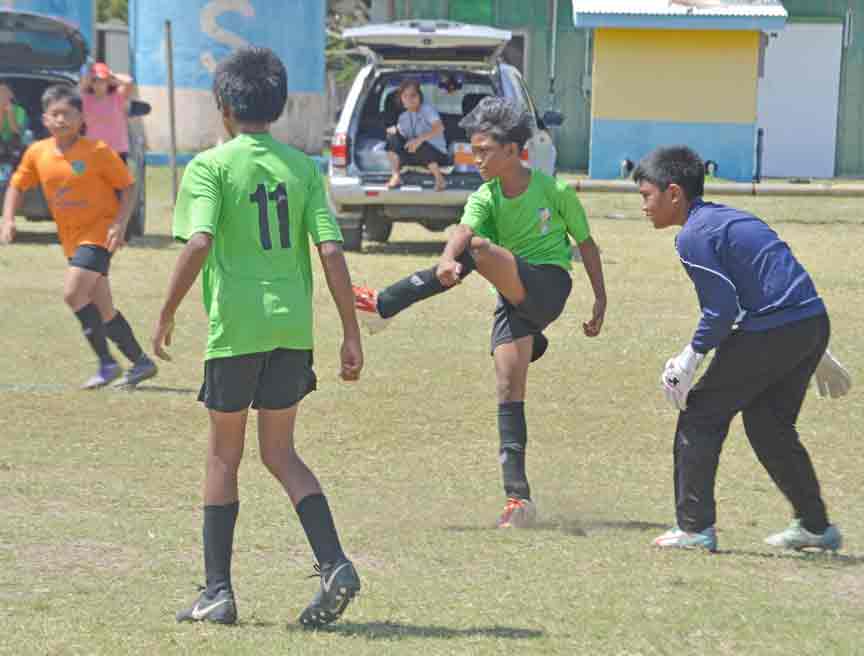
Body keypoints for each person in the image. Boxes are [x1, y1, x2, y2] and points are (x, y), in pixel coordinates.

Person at [151, 47, 364, 628]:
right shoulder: (303, 168)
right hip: (291, 329)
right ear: (279, 105)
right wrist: (350, 333)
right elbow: (331, 251)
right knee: (280, 453)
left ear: (223, 105)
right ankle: (335, 563)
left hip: (237, 330)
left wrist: (166, 310)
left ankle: (217, 592)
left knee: (224, 455)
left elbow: (199, 242)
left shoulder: (210, 167)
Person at [354, 97, 608, 528]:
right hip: (514, 300)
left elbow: (585, 244)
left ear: (512, 150)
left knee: (478, 251)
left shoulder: (555, 191)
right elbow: (463, 229)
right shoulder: (485, 196)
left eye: (484, 151)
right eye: (472, 151)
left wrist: (600, 299)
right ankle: (518, 500)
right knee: (508, 388)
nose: (476, 159)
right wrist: (446, 259)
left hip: (548, 285)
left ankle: (385, 304)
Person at [633, 145, 843, 552]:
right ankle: (816, 527)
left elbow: (722, 310)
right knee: (769, 425)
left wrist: (689, 359)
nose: (643, 206)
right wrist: (815, 349)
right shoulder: (730, 218)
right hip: (811, 322)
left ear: (674, 193)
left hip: (776, 329)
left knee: (700, 415)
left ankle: (694, 528)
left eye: (646, 196)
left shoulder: (692, 236)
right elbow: (779, 282)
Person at [0, 85, 157, 389]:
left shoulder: (97, 151)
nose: (61, 120)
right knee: (104, 308)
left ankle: (107, 363)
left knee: (73, 294)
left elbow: (128, 186)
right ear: (45, 119)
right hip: (71, 239)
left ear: (82, 118)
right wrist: (8, 218)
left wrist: (120, 224)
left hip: (100, 234)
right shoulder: (38, 152)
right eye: (55, 114)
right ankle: (141, 363)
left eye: (68, 114)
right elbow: (17, 185)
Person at [385, 78, 450, 191]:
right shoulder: (403, 117)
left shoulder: (427, 110)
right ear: (401, 99)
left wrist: (419, 140)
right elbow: (404, 137)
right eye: (405, 96)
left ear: (420, 96)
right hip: (415, 155)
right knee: (391, 138)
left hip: (436, 154)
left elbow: (439, 128)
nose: (409, 99)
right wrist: (395, 131)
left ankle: (440, 179)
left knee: (419, 145)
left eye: (413, 95)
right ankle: (396, 176)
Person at [80, 62, 133, 163]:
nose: (98, 84)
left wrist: (111, 75)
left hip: (117, 149)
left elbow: (128, 81)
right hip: (94, 149)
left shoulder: (118, 96)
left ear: (108, 81)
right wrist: (88, 77)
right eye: (94, 80)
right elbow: (81, 87)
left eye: (102, 80)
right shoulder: (85, 99)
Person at [0, 82, 26, 151]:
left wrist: (10, 113)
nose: (1, 95)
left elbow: (17, 131)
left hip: (14, 144)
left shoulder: (19, 110)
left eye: (4, 92)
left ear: (11, 95)